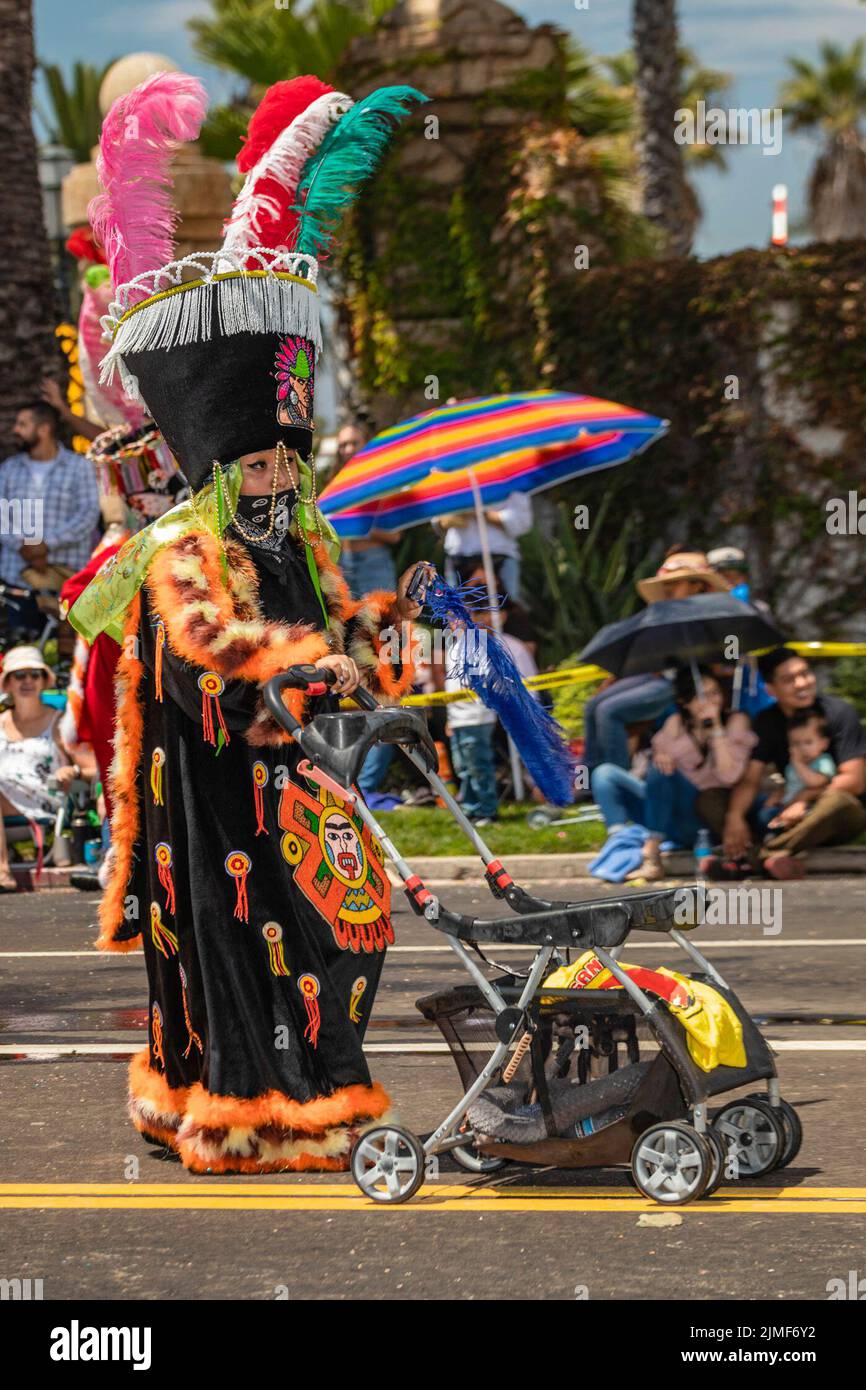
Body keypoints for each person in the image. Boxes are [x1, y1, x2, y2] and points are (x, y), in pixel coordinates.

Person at [70, 68, 426, 1173]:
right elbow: (204, 656)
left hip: (305, 786)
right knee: (241, 942)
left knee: (341, 936)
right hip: (217, 796)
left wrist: (381, 638)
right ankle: (241, 1108)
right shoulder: (183, 546)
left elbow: (342, 625)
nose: (277, 474)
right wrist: (296, 673)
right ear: (224, 462)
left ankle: (325, 1087)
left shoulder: (301, 535)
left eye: (287, 457)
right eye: (259, 459)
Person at [696, 648, 866, 878]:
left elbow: (855, 781)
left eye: (805, 674)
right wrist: (734, 818)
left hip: (835, 815)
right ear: (770, 689)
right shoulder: (767, 720)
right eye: (789, 679)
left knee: (838, 801)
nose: (801, 683)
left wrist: (803, 799)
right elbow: (750, 779)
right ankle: (772, 856)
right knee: (711, 798)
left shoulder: (838, 712)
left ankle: (754, 858)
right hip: (784, 814)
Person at [583, 549, 727, 772]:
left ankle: (614, 780)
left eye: (676, 582)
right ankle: (590, 778)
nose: (668, 588)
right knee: (593, 705)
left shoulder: (713, 618)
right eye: (666, 583)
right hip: (655, 676)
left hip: (682, 686)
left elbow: (718, 664)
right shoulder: (665, 616)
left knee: (609, 711)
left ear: (697, 585)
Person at [627, 666, 756, 881]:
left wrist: (716, 731)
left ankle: (652, 849)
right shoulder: (676, 723)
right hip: (683, 812)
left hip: (717, 814)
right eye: (701, 696)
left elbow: (729, 777)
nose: (710, 702)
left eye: (715, 693)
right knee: (630, 774)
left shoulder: (735, 721)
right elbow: (658, 761)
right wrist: (662, 754)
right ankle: (645, 847)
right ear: (685, 702)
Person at [0, 401, 100, 633]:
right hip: (18, 580)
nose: (15, 429)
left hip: (67, 580)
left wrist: (45, 545)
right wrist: (24, 546)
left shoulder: (79, 467)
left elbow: (87, 515)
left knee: (66, 656)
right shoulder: (8, 469)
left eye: (23, 424)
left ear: (44, 429)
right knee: (24, 650)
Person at [0, 646, 79, 891]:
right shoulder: (1, 721)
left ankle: (2, 871)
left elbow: (90, 766)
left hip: (46, 795)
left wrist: (72, 771)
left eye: (34, 674)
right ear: (8, 683)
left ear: (44, 680)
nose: (27, 681)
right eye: (19, 675)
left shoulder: (58, 722)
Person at [335, 421, 401, 599]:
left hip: (374, 562)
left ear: (366, 444)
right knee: (352, 626)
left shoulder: (381, 483)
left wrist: (354, 527)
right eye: (343, 445)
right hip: (344, 565)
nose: (348, 449)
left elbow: (394, 535)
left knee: (381, 624)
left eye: (354, 443)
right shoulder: (338, 484)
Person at [441, 491, 533, 602]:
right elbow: (438, 521)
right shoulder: (451, 479)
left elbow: (522, 522)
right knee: (456, 611)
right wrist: (452, 516)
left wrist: (480, 512)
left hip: (499, 557)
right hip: (459, 558)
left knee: (507, 608)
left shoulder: (510, 484)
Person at [766, 711, 836, 831]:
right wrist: (778, 795)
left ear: (824, 744)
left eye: (808, 742)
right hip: (786, 805)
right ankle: (774, 832)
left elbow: (816, 782)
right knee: (764, 812)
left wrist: (798, 764)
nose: (802, 748)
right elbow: (789, 785)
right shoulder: (791, 766)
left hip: (810, 805)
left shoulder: (823, 761)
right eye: (796, 743)